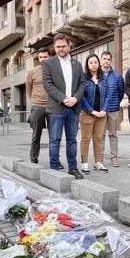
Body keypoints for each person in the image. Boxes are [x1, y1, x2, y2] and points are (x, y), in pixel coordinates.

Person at [41, 33, 86, 179]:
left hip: (73, 108)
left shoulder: (77, 64)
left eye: (63, 46)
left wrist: (75, 98)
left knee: (72, 140)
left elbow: (82, 84)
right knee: (55, 140)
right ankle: (54, 169)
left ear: (69, 46)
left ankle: (73, 168)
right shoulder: (49, 63)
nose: (61, 49)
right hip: (57, 108)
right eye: (58, 47)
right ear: (54, 47)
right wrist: (63, 98)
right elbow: (47, 84)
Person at [79, 54, 110, 174]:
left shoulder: (104, 78)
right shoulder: (83, 78)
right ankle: (84, 164)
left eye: (95, 62)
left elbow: (108, 95)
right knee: (86, 139)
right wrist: (91, 110)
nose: (93, 65)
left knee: (98, 139)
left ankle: (98, 163)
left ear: (99, 64)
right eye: (91, 62)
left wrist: (104, 110)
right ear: (87, 65)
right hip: (88, 113)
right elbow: (81, 97)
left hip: (101, 114)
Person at [26, 48, 51, 164]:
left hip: (52, 107)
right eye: (41, 57)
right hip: (37, 107)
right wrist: (35, 101)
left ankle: (55, 160)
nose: (43, 59)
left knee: (54, 136)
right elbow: (28, 89)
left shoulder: (54, 70)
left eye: (45, 57)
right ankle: (33, 159)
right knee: (36, 135)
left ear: (49, 57)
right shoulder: (32, 72)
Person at [100, 51, 125, 167]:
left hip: (113, 109)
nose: (106, 61)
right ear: (101, 60)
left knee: (113, 134)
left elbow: (121, 92)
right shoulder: (97, 75)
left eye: (108, 59)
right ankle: (99, 158)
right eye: (104, 59)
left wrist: (115, 103)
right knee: (100, 135)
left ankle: (114, 158)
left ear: (111, 61)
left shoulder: (117, 76)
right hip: (100, 110)